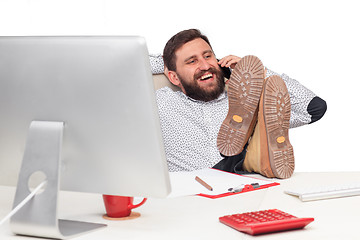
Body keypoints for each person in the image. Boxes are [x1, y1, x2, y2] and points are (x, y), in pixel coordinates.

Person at [152, 29, 326, 179]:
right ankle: (251, 158)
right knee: (229, 165)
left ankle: (254, 152)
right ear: (173, 77)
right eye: (192, 61)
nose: (205, 65)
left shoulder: (247, 101)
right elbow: (127, 65)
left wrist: (258, 73)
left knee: (249, 143)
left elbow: (313, 109)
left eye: (208, 56)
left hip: (240, 190)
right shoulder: (159, 103)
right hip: (191, 190)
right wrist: (166, 62)